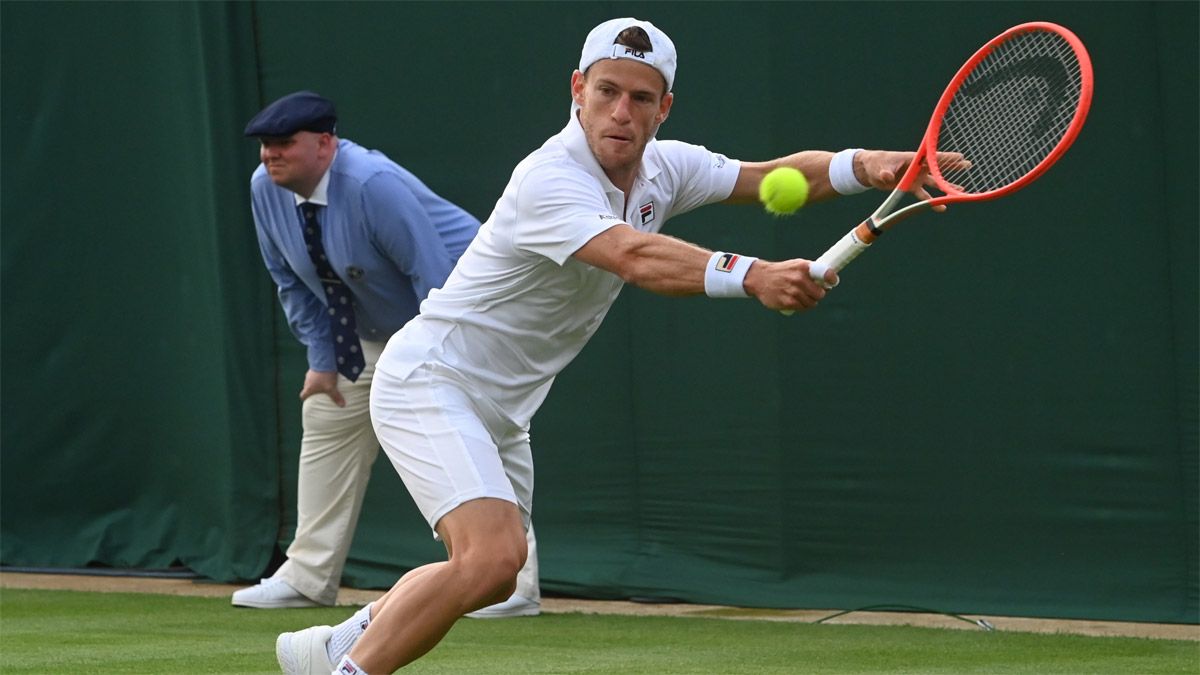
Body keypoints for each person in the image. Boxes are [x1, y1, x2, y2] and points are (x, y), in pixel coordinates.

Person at [275, 19, 959, 674]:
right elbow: (633, 256)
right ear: (578, 90)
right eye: (606, 92)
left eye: (640, 98)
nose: (621, 113)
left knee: (493, 573)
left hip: (503, 408)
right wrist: (753, 275)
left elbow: (771, 176)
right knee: (489, 556)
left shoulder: (667, 167)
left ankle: (334, 645)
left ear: (665, 107)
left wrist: (869, 165)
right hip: (433, 378)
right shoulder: (549, 177)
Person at [235, 90, 541, 620]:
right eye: (265, 144)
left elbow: (432, 272)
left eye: (284, 142)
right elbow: (290, 281)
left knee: (481, 433)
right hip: (374, 329)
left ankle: (513, 585)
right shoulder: (266, 187)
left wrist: (448, 363)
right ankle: (307, 576)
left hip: (463, 321)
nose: (270, 154)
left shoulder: (372, 185)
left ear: (325, 144)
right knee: (327, 412)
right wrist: (323, 361)